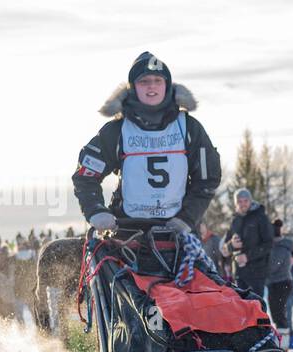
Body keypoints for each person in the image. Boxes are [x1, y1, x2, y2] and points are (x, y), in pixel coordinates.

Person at [72, 51, 221, 236]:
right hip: (126, 230)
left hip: (178, 231)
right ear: (133, 87)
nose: (152, 86)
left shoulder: (189, 129)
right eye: (144, 81)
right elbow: (85, 175)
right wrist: (96, 210)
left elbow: (207, 179)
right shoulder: (117, 131)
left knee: (204, 266)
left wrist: (187, 218)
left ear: (167, 85)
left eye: (158, 80)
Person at [220, 188, 274, 295]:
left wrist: (247, 256)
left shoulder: (260, 217)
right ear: (236, 203)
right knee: (241, 309)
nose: (243, 204)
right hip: (239, 273)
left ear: (250, 201)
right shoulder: (234, 220)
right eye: (239, 201)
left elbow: (269, 244)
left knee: (256, 307)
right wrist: (231, 245)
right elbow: (224, 248)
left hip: (257, 273)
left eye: (245, 201)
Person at [266, 219, 293, 341]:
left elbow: (272, 267)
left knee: (279, 315)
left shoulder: (281, 248)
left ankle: (283, 344)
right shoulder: (276, 247)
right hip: (275, 284)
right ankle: (281, 342)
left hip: (282, 284)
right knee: (276, 314)